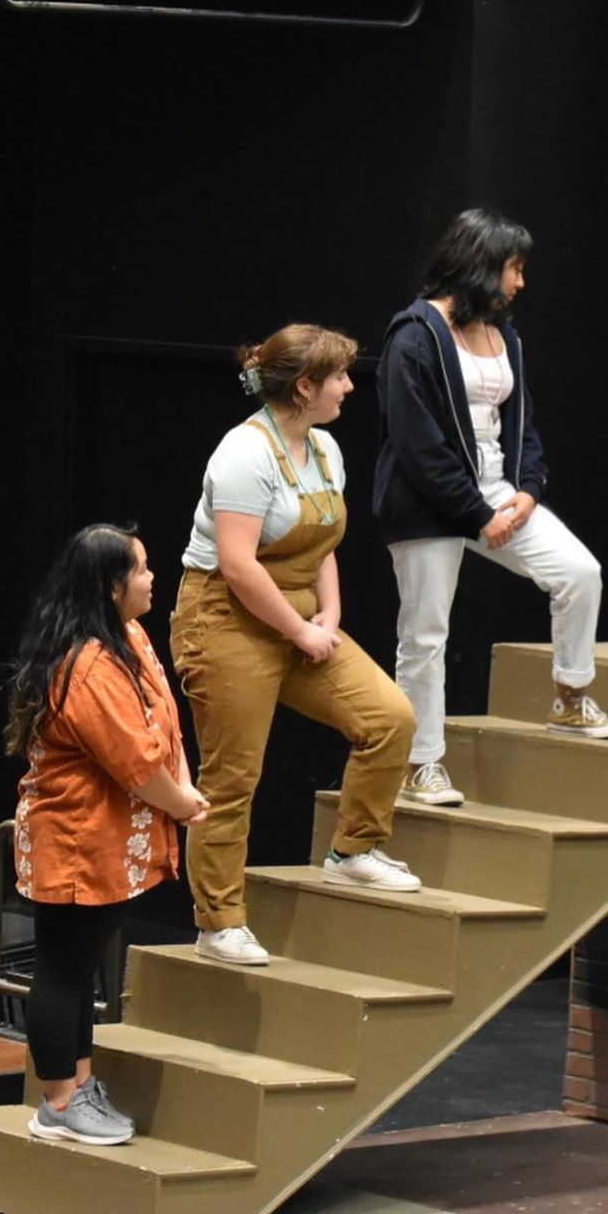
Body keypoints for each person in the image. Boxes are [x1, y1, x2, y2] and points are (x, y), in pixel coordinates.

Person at [171, 324, 420, 969]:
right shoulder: (243, 454)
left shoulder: (326, 449)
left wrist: (330, 614)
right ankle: (219, 921)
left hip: (299, 618)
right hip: (226, 619)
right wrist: (300, 627)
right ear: (304, 387)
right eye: (337, 376)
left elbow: (322, 546)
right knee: (232, 778)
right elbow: (239, 565)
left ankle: (353, 852)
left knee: (389, 718)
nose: (348, 387)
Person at [373, 208, 608, 808]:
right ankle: (421, 764)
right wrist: (474, 512)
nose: (520, 283)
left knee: (579, 573)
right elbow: (418, 444)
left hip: (497, 497)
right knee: (426, 635)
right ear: (482, 265)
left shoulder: (504, 335)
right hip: (429, 504)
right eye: (514, 268)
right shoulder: (413, 336)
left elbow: (524, 425)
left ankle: (570, 696)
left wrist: (528, 489)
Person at [4, 524, 210, 1145]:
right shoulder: (87, 666)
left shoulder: (128, 636)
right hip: (71, 842)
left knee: (82, 964)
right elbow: (135, 761)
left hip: (105, 843)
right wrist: (181, 803)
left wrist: (182, 787)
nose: (152, 578)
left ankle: (80, 1086)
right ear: (112, 585)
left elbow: (162, 726)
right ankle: (59, 1103)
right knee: (63, 966)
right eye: (142, 569)